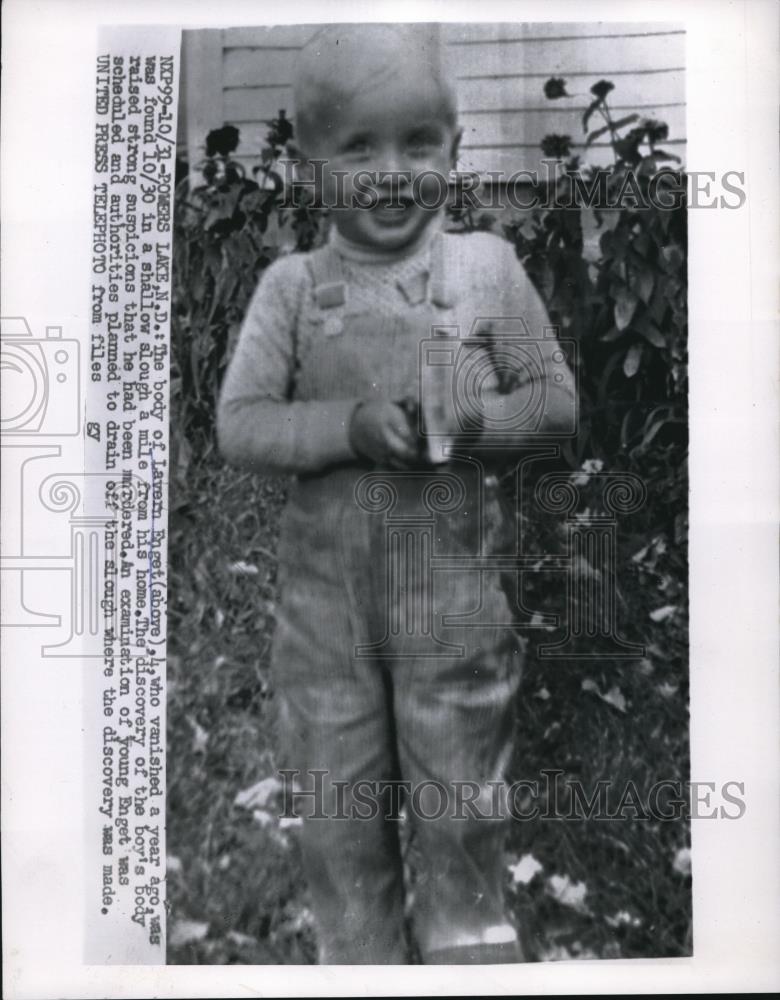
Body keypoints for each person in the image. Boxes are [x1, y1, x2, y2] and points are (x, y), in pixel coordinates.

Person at [217, 23, 576, 965]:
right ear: (310, 167)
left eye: (418, 143)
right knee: (339, 817)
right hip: (324, 625)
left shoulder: (487, 271)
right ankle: (360, 960)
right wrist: (344, 428)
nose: (391, 172)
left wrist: (479, 421)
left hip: (451, 614)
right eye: (358, 148)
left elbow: (558, 407)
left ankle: (464, 947)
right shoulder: (292, 289)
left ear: (455, 150)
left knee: (460, 808)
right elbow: (241, 422)